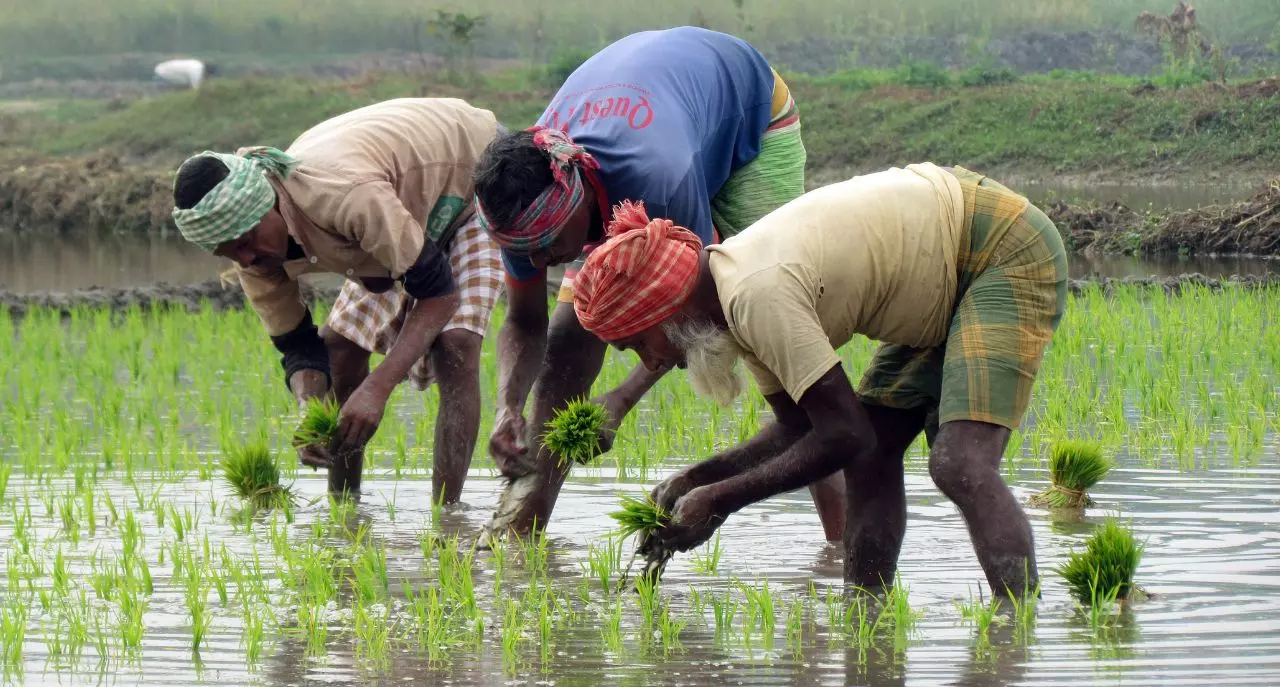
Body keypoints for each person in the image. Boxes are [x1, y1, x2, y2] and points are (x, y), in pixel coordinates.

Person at [571, 163, 1068, 600]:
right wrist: (696, 479)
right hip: (938, 273)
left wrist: (721, 501)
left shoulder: (756, 294)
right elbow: (799, 428)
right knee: (874, 457)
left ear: (665, 310)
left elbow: (844, 433)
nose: (651, 362)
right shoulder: (732, 304)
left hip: (995, 249)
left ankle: (1013, 633)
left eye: (638, 344)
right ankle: (866, 613)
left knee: (960, 463)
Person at [471, 25, 841, 543]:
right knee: (566, 338)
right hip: (653, 109)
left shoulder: (658, 179)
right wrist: (507, 406)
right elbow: (524, 322)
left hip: (745, 116)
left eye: (550, 244)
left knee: (773, 328)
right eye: (525, 250)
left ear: (576, 197)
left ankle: (842, 543)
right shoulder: (526, 204)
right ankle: (521, 530)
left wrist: (621, 398)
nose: (541, 261)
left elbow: (695, 306)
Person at [170, 98, 504, 503]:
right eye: (228, 254)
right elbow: (299, 348)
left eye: (245, 243)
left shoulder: (343, 196)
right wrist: (311, 408)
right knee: (339, 348)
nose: (245, 260)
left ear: (271, 205)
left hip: (473, 176)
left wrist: (377, 388)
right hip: (397, 207)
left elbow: (438, 293)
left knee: (456, 346)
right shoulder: (254, 253)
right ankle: (344, 509)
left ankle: (447, 518)